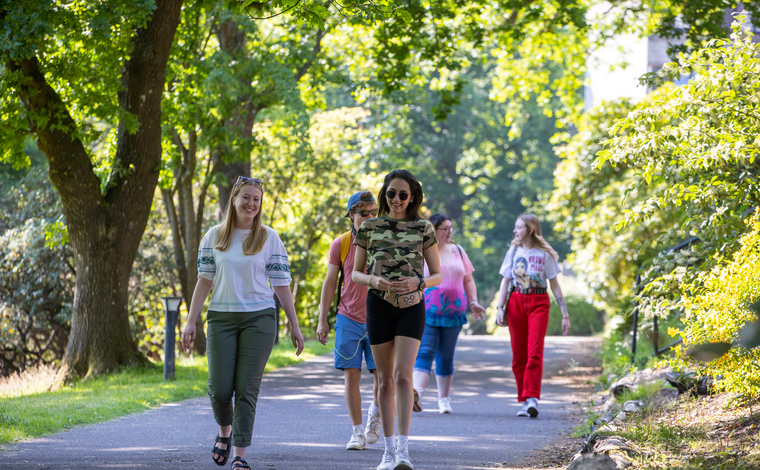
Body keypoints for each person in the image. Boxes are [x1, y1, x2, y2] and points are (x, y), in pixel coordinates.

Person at [181, 176, 304, 470]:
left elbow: (281, 283)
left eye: (256, 199)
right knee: (220, 390)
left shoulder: (269, 237)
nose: (251, 204)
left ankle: (240, 454)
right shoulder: (214, 236)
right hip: (221, 318)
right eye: (246, 197)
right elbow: (204, 280)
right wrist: (190, 321)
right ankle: (225, 432)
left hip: (259, 319)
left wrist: (294, 325)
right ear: (234, 200)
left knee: (246, 389)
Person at [352, 169, 442, 470]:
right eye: (392, 193)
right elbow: (355, 273)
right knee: (384, 379)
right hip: (378, 306)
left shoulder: (423, 228)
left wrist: (418, 283)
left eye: (403, 194)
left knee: (404, 376)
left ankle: (403, 450)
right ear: (384, 194)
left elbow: (437, 275)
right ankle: (388, 452)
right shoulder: (370, 226)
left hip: (412, 306)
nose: (397, 199)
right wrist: (373, 281)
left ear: (412, 196)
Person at [316, 191, 382, 451]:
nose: (368, 217)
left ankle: (374, 416)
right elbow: (330, 282)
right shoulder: (341, 244)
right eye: (363, 213)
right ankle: (357, 432)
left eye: (373, 212)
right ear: (351, 216)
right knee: (351, 375)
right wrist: (323, 320)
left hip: (380, 317)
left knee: (381, 376)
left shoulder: (385, 241)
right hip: (348, 317)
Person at [496, 213, 570, 419]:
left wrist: (565, 314)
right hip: (516, 303)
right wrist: (500, 308)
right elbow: (505, 281)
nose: (515, 231)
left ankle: (532, 399)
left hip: (538, 303)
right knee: (518, 356)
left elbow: (555, 285)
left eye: (518, 227)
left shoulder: (545, 255)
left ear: (529, 230)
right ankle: (524, 399)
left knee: (534, 353)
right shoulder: (512, 252)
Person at [412, 214, 485, 414]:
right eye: (445, 228)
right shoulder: (424, 251)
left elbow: (468, 280)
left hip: (454, 312)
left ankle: (443, 399)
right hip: (427, 311)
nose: (450, 231)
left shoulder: (458, 251)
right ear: (434, 230)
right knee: (425, 351)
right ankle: (416, 393)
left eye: (451, 227)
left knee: (446, 356)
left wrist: (474, 302)